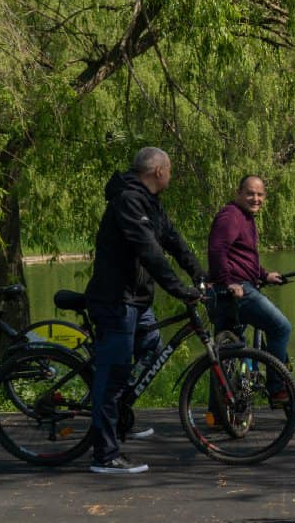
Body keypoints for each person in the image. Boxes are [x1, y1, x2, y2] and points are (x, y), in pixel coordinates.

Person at [84, 147, 205, 474]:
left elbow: (172, 241)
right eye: (170, 170)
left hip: (137, 300)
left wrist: (199, 274)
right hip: (116, 301)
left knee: (151, 348)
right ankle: (105, 455)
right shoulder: (127, 201)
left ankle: (120, 417)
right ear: (158, 172)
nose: (171, 175)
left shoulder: (149, 203)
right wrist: (180, 290)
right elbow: (150, 252)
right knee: (113, 376)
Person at [207, 174, 291, 398]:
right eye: (250, 193)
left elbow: (241, 258)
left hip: (232, 289)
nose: (256, 198)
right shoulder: (231, 216)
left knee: (226, 354)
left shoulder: (245, 218)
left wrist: (264, 275)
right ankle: (276, 388)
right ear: (238, 193)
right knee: (281, 327)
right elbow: (217, 251)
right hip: (235, 290)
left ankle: (219, 414)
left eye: (260, 194)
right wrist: (228, 283)